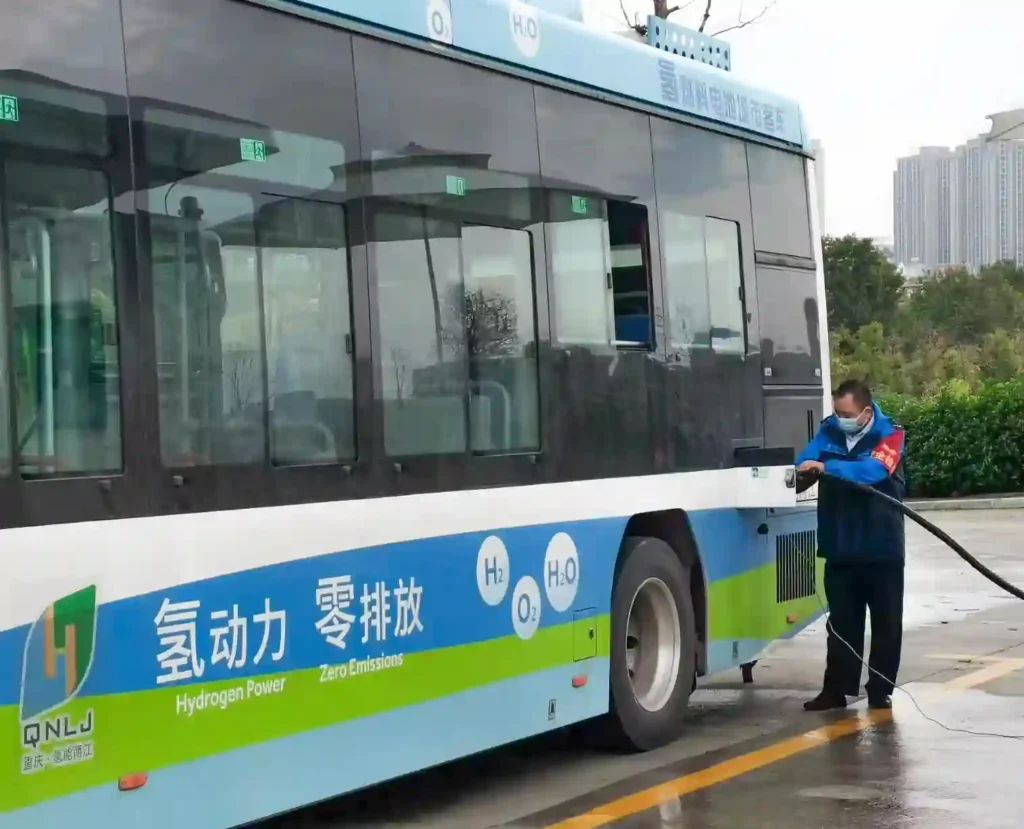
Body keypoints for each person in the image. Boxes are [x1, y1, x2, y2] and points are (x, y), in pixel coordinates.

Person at [795, 378, 907, 711]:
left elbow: (872, 471)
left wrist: (825, 467)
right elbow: (806, 459)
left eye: (846, 413)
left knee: (886, 623)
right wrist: (804, 469)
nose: (840, 417)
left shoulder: (890, 436)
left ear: (866, 412)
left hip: (881, 547)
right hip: (840, 545)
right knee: (842, 624)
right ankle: (836, 690)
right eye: (836, 411)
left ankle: (879, 690)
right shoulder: (829, 431)